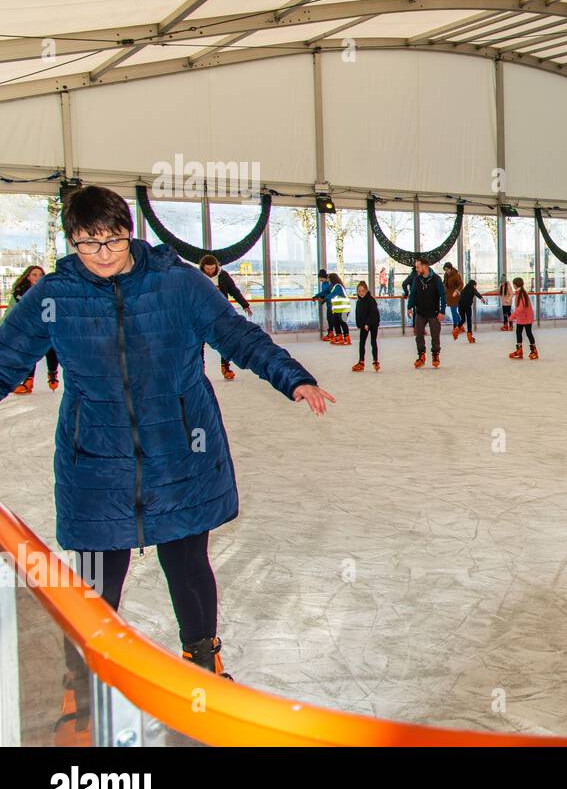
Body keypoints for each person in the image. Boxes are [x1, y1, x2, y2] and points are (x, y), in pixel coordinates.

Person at [0, 185, 334, 679]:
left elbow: (236, 335)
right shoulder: (52, 296)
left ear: (129, 234)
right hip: (96, 459)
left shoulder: (178, 284)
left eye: (112, 240)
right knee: (96, 579)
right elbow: (6, 359)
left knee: (186, 562)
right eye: (88, 244)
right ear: (71, 241)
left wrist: (293, 377)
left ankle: (203, 659)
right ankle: (86, 671)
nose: (102, 254)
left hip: (179, 451)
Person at [1, 265, 59, 393]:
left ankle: (52, 374)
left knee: (50, 348)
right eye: (34, 274)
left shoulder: (49, 293)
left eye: (41, 275)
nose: (38, 277)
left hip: (45, 328)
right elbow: (10, 312)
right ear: (28, 277)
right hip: (27, 330)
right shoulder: (19, 294)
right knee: (27, 352)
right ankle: (28, 381)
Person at [198, 255, 253, 381]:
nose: (210, 271)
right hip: (200, 315)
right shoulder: (197, 276)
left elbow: (234, 291)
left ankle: (226, 367)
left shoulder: (223, 276)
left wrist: (245, 305)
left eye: (212, 269)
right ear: (203, 267)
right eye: (208, 269)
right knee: (199, 343)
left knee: (224, 341)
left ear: (216, 266)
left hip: (220, 314)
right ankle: (200, 370)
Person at [406, 256, 446, 368]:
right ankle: (421, 355)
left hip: (434, 313)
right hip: (420, 313)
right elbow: (413, 294)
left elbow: (443, 296)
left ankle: (435, 355)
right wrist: (409, 307)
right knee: (418, 335)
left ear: (425, 266)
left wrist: (442, 311)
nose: (417, 269)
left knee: (435, 335)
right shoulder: (417, 280)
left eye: (418, 267)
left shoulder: (436, 279)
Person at [351, 280, 381, 372]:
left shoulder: (371, 300)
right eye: (359, 291)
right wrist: (360, 324)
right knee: (362, 343)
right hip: (364, 325)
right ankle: (361, 362)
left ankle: (375, 361)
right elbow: (358, 314)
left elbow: (373, 314)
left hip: (373, 323)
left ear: (366, 290)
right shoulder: (359, 301)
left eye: (363, 291)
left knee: (373, 341)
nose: (361, 293)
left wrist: (368, 324)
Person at [507, 277, 538, 360]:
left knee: (528, 333)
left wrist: (512, 316)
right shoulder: (519, 292)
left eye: (514, 284)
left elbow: (521, 307)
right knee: (518, 332)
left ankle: (534, 351)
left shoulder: (522, 293)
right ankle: (519, 350)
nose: (513, 285)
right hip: (522, 317)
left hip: (526, 317)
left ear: (516, 285)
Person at [321, 272, 351, 345]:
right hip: (337, 309)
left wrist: (325, 299)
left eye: (328, 279)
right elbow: (326, 292)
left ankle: (347, 337)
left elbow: (333, 294)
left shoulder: (338, 286)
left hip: (344, 309)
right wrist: (318, 296)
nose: (328, 281)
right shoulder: (332, 287)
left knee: (342, 322)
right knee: (335, 321)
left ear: (332, 279)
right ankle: (339, 336)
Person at [443, 262, 465, 340]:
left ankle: (456, 327)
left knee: (453, 311)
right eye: (445, 270)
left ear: (450, 268)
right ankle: (460, 325)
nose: (446, 271)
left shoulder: (456, 275)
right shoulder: (446, 275)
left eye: (447, 270)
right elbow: (444, 284)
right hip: (449, 296)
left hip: (455, 296)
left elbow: (461, 284)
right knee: (454, 312)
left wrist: (456, 291)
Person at [461, 278, 485, 343]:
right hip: (467, 306)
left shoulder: (464, 289)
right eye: (475, 285)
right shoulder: (472, 288)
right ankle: (469, 337)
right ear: (473, 285)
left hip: (460, 306)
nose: (475, 287)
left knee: (463, 319)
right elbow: (476, 293)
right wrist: (481, 298)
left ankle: (456, 329)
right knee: (469, 320)